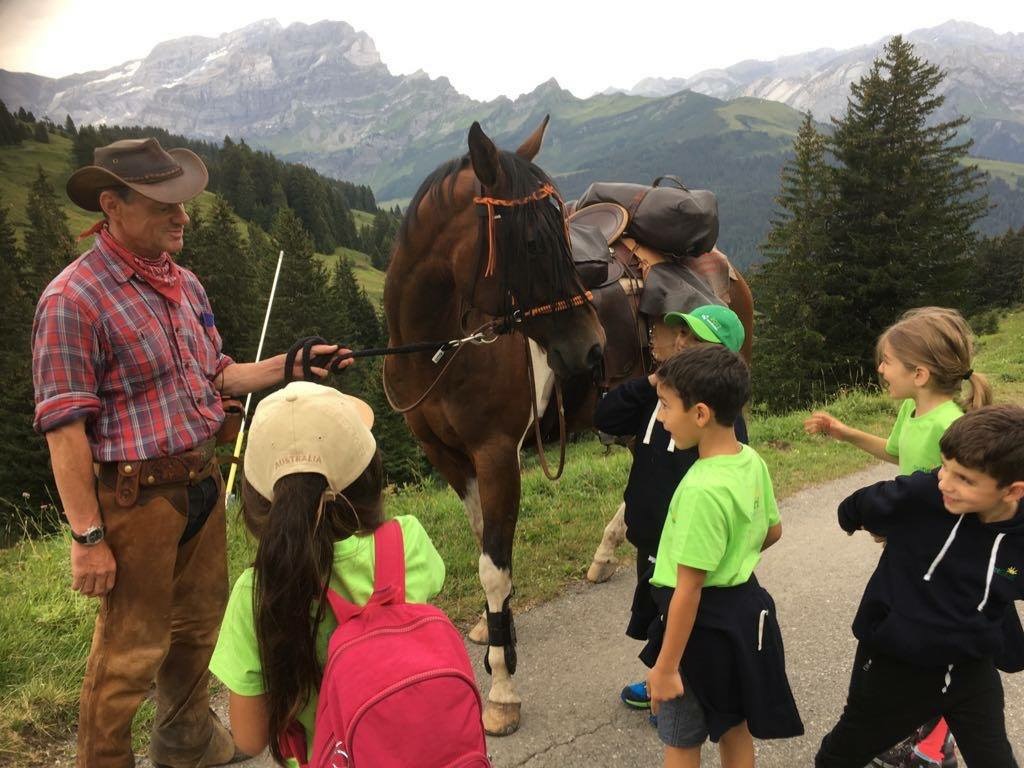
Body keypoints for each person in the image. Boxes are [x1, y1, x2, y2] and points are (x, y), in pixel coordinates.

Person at [31, 138, 348, 768]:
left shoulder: (185, 283)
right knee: (128, 653)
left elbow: (218, 374)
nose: (182, 217)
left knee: (198, 630)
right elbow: (64, 429)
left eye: (185, 203)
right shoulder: (72, 299)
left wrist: (292, 365)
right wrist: (87, 538)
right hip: (135, 501)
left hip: (202, 484)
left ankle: (186, 743)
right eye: (163, 204)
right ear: (111, 205)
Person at [209, 382, 445, 766]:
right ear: (370, 479)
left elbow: (250, 737)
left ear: (258, 504)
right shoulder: (407, 542)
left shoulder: (254, 593)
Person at [805, 306, 992, 767]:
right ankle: (916, 733)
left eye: (887, 361)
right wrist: (844, 432)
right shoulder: (913, 408)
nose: (881, 369)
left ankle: (928, 736)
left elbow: (954, 501)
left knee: (923, 644)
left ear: (921, 373)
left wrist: (896, 524)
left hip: (935, 557)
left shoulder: (950, 425)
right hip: (908, 544)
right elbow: (896, 455)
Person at [815, 405, 1024, 768]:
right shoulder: (922, 495)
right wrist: (864, 524)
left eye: (964, 479)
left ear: (1013, 491)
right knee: (842, 754)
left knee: (995, 760)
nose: (945, 482)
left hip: (971, 668)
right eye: (945, 466)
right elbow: (856, 507)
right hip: (897, 663)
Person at [644, 344, 803, 768]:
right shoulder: (750, 460)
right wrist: (733, 559)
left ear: (699, 414)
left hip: (698, 630)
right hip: (743, 613)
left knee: (681, 739)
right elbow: (772, 530)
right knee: (733, 725)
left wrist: (665, 667)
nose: (660, 417)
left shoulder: (701, 489)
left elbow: (689, 589)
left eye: (664, 406)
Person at [594, 304, 748, 712]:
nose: (679, 342)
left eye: (694, 339)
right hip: (649, 535)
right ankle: (668, 674)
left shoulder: (719, 422)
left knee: (677, 613)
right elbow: (605, 415)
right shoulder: (660, 401)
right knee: (656, 611)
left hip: (685, 543)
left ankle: (669, 683)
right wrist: (650, 384)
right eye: (680, 335)